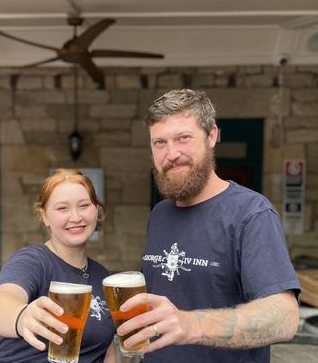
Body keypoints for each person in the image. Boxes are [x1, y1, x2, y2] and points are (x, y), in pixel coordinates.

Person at [117, 89, 301, 363]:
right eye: (160, 143)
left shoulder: (251, 213)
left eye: (183, 138)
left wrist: (191, 325)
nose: (172, 154)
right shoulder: (159, 214)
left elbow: (285, 317)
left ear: (212, 136)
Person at [0, 169, 116, 363]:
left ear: (96, 211)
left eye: (84, 206)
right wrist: (21, 317)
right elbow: (0, 304)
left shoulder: (103, 276)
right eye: (62, 208)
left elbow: (107, 350)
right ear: (44, 216)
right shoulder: (33, 261)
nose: (75, 217)